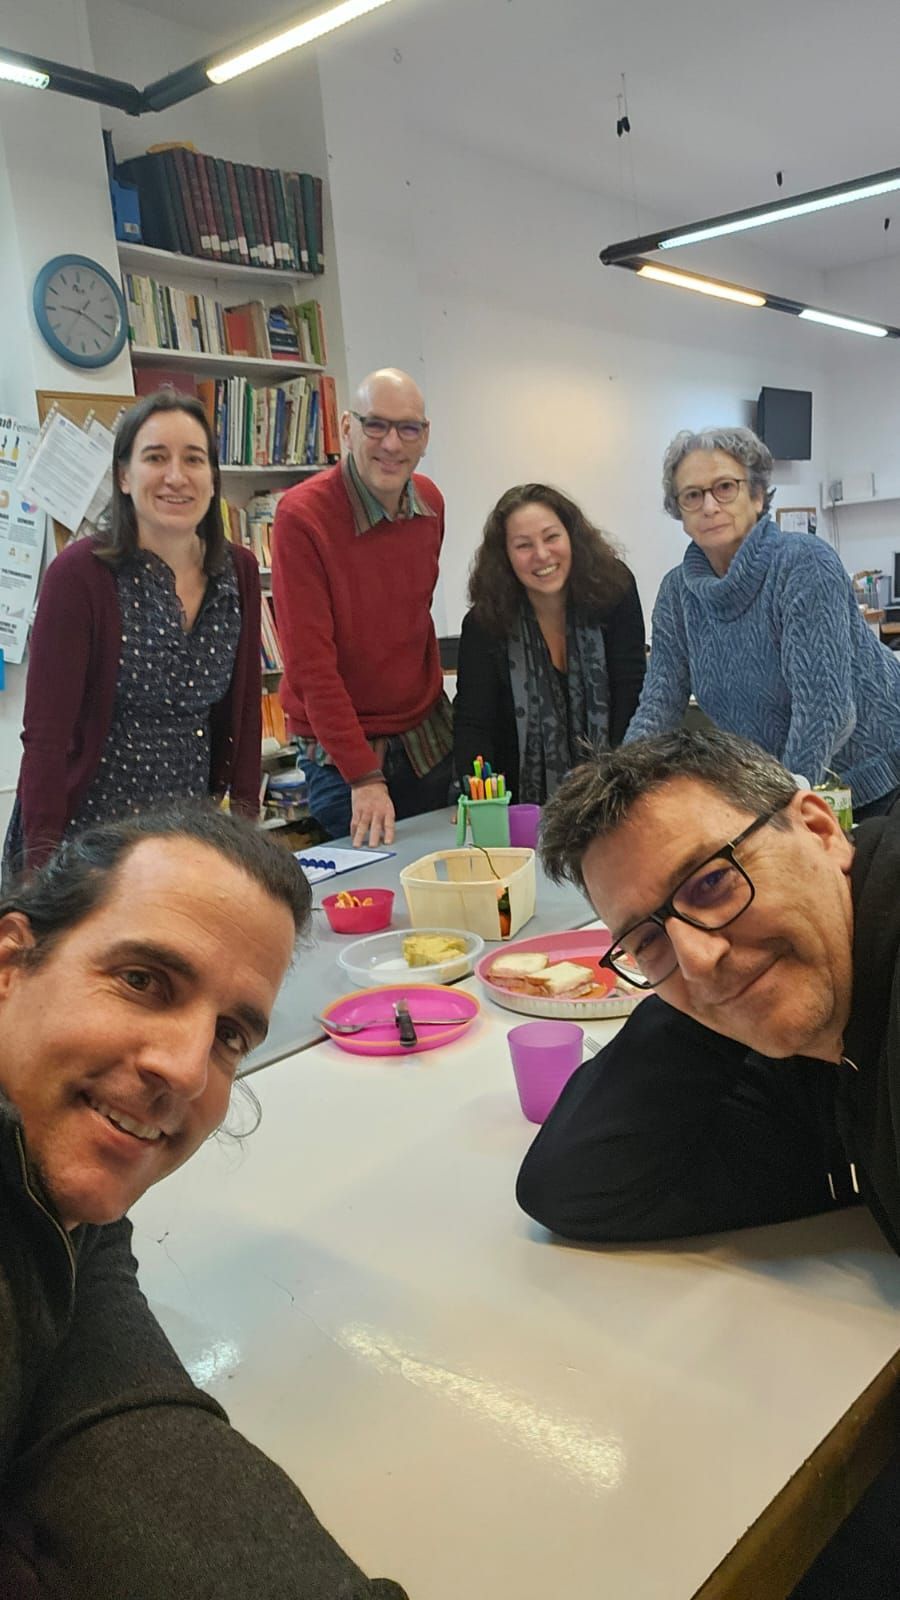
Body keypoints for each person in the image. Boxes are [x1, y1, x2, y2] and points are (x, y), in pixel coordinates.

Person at [517, 726, 900, 1600]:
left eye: (712, 881)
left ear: (821, 828)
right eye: (645, 940)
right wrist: (708, 986)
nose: (697, 951)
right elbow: (576, 1182)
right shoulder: (823, 1030)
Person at [0, 803, 408, 1600]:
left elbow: (127, 1423)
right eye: (142, 980)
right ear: (12, 963)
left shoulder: (60, 1212)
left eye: (229, 1035)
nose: (187, 1070)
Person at [5, 390, 263, 878]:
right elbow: (45, 740)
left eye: (194, 459)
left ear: (212, 479)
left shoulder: (239, 572)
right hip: (86, 845)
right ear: (124, 476)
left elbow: (246, 714)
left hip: (187, 838)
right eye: (156, 457)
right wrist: (38, 876)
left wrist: (248, 842)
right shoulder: (78, 576)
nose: (176, 476)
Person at [624, 426, 900, 821]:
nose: (709, 506)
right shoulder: (677, 593)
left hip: (879, 778)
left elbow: (826, 708)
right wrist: (618, 788)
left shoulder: (804, 563)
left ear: (756, 496)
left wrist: (780, 808)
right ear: (680, 513)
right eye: (692, 495)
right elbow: (658, 706)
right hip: (788, 788)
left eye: (725, 487)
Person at [272, 368, 452, 847]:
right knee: (372, 881)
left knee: (445, 869)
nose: (392, 443)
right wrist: (364, 776)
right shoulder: (302, 516)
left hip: (426, 737)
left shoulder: (430, 503)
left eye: (407, 428)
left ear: (424, 437)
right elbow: (310, 666)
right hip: (343, 754)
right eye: (376, 425)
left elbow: (414, 617)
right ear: (347, 428)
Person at [454, 484, 645, 803]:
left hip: (614, 792)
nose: (541, 554)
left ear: (571, 536)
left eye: (551, 537)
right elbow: (474, 725)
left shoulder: (615, 591)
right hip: (518, 805)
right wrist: (478, 801)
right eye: (523, 545)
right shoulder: (484, 623)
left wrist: (620, 783)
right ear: (505, 556)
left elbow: (632, 691)